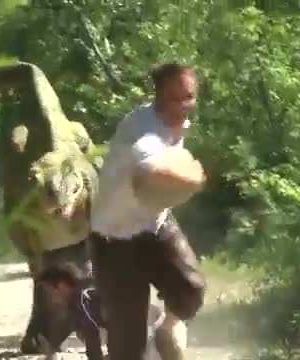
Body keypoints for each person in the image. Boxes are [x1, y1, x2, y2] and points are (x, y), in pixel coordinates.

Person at [89, 63, 207, 360]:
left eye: (188, 97)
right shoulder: (142, 129)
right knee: (129, 349)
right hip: (115, 239)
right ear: (158, 97)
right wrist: (195, 179)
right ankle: (105, 309)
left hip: (155, 224)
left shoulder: (178, 122)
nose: (182, 105)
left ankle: (166, 331)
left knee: (190, 289)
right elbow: (147, 170)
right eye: (173, 98)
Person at [35, 263, 166, 360]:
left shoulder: (81, 297)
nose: (50, 299)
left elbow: (92, 336)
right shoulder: (79, 296)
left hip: (146, 325)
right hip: (145, 320)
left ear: (62, 286)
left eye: (49, 293)